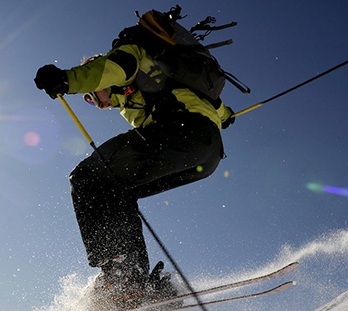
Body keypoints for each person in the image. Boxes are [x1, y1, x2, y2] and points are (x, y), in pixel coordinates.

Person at [34, 34, 235, 302]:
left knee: (86, 177)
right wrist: (226, 115)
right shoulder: (150, 87)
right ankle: (137, 280)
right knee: (118, 191)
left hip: (180, 132)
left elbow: (109, 69)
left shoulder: (128, 60)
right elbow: (216, 106)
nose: (95, 103)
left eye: (91, 96)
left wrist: (69, 80)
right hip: (206, 153)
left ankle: (121, 275)